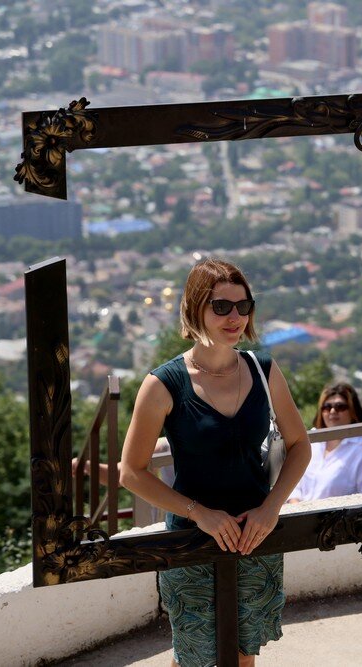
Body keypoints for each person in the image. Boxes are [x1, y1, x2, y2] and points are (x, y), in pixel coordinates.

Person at [120, 258, 311, 667]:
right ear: (195, 309)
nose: (235, 317)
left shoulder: (263, 370)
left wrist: (270, 508)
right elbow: (131, 471)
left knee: (243, 656)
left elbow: (299, 445)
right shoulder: (164, 384)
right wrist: (199, 514)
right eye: (221, 306)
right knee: (194, 657)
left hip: (255, 536)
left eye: (244, 306)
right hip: (192, 540)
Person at [288, 383, 362, 503]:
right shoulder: (310, 441)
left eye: (340, 406)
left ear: (353, 411)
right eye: (326, 407)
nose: (332, 411)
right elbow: (294, 484)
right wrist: (296, 507)